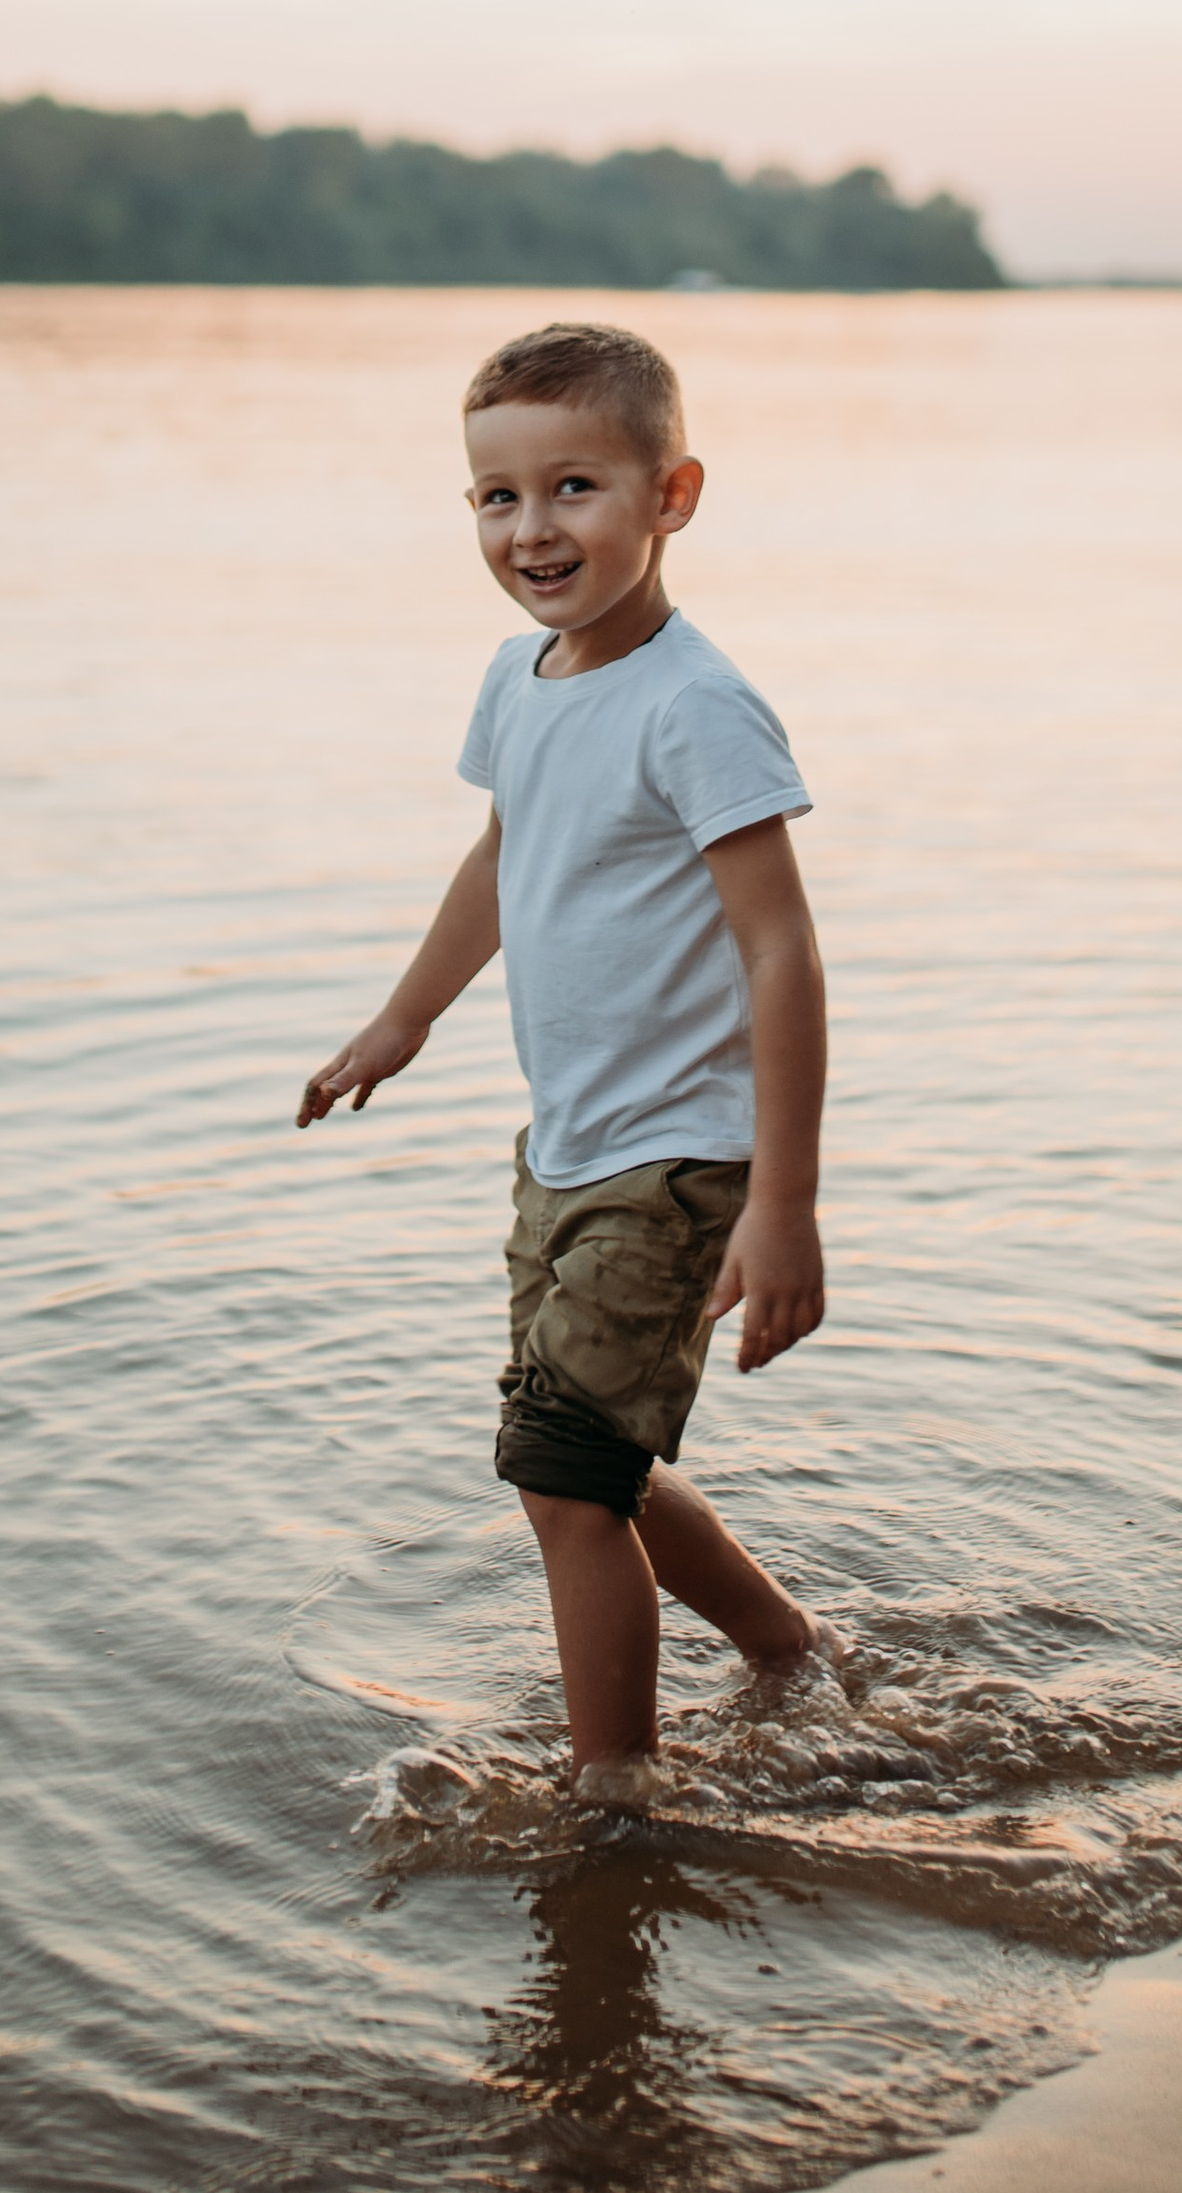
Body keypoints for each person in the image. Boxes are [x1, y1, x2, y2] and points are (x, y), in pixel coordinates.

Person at [297, 319, 835, 1806]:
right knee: (597, 1458)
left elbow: (782, 952)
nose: (532, 529)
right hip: (569, 1149)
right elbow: (503, 854)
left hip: (679, 1158)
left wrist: (784, 1207)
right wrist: (402, 1018)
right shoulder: (519, 677)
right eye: (498, 496)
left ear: (673, 496)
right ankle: (787, 1648)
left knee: (556, 1475)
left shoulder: (694, 704)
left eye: (575, 488)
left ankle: (614, 1793)